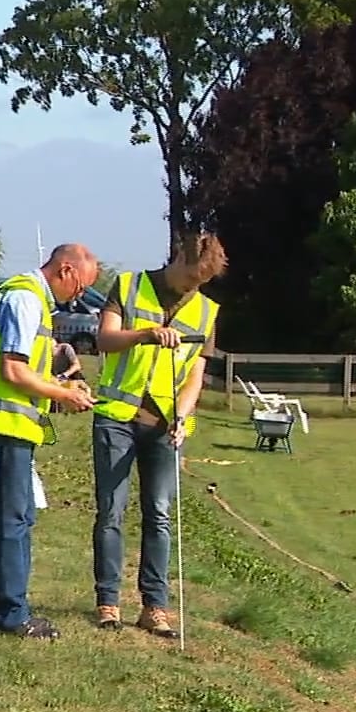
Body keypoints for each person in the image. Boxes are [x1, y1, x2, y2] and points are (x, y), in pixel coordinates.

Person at [88, 233, 227, 637]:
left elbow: (196, 375)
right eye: (190, 277)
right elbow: (105, 339)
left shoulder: (206, 311)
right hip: (116, 417)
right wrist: (145, 334)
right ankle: (108, 602)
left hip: (165, 426)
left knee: (160, 515)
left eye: (201, 282)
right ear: (178, 259)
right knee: (111, 511)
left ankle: (155, 607)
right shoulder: (129, 286)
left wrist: (183, 416)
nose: (192, 287)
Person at [0, 243, 100, 638]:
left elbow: (26, 371)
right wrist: (65, 395)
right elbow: (12, 370)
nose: (77, 297)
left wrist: (58, 386)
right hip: (1, 422)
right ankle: (11, 615)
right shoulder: (24, 298)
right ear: (66, 269)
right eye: (79, 287)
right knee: (12, 518)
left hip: (11, 422)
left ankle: (15, 609)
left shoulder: (30, 297)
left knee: (20, 515)